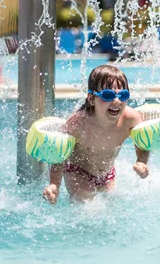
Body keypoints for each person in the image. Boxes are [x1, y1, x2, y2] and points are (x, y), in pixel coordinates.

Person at [42, 64, 150, 203]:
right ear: (91, 98)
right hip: (78, 172)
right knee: (88, 210)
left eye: (123, 95)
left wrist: (141, 162)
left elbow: (142, 142)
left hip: (107, 174)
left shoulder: (131, 119)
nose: (117, 101)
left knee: (111, 210)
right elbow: (59, 154)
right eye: (108, 95)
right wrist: (54, 184)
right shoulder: (79, 122)